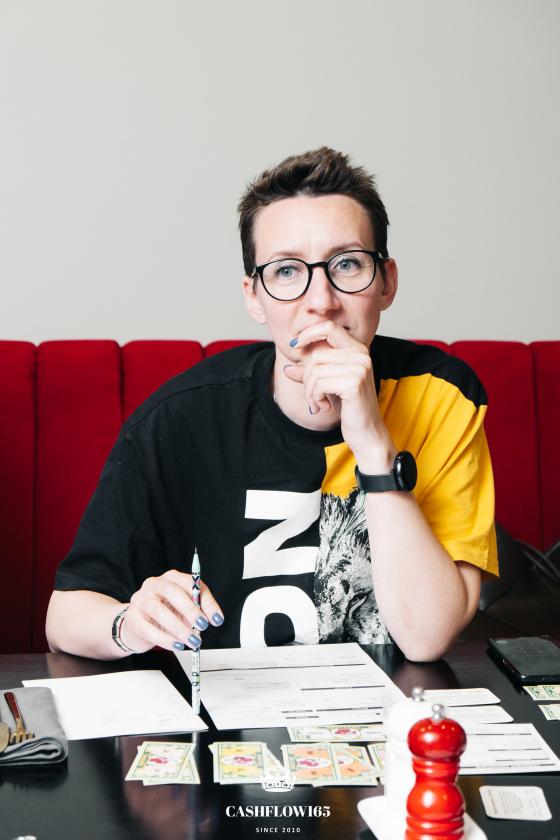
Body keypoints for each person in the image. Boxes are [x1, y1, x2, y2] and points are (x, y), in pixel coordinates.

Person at [46, 147, 498, 663]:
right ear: (253, 296)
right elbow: (64, 617)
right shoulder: (179, 418)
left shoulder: (442, 395)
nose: (321, 301)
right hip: (226, 710)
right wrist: (130, 623)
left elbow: (426, 638)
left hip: (390, 707)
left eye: (347, 264)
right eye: (286, 272)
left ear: (387, 282)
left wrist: (374, 447)